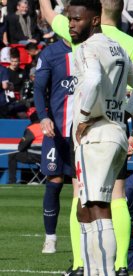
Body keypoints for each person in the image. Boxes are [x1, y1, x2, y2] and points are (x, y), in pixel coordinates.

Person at [39, 0, 133, 273]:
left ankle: (105, 271)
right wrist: (124, 111)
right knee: (92, 204)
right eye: (70, 19)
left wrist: (85, 116)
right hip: (115, 131)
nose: (72, 25)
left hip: (96, 135)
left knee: (96, 205)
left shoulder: (87, 48)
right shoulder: (119, 47)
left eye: (77, 19)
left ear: (95, 20)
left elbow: (93, 79)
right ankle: (92, 269)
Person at [33, 38, 75, 256]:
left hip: (84, 132)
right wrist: (43, 117)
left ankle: (86, 236)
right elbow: (39, 89)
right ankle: (50, 238)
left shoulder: (92, 48)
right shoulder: (51, 53)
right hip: (56, 130)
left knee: (83, 186)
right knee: (55, 181)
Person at [7, 108, 43, 184]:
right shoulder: (50, 126)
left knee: (12, 156)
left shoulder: (32, 128)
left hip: (34, 157)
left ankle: (11, 181)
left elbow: (21, 147)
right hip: (49, 158)